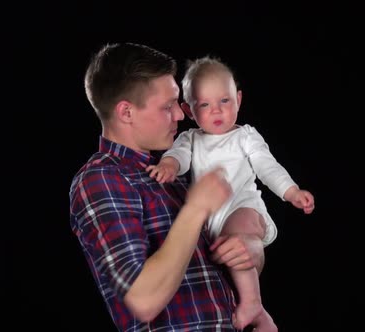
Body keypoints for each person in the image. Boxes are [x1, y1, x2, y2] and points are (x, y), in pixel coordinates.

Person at [69, 42, 266, 331]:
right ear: (126, 112)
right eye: (168, 106)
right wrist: (197, 208)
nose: (180, 115)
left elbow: (224, 263)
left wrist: (251, 249)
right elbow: (143, 299)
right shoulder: (100, 180)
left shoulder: (171, 177)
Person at [145, 56, 315, 331]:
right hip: (211, 218)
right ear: (189, 110)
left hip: (243, 206)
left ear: (238, 99)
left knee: (238, 239)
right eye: (205, 105)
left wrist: (291, 191)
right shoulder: (189, 139)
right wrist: (168, 165)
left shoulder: (245, 136)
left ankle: (252, 302)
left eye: (224, 101)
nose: (217, 112)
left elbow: (266, 165)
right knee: (225, 255)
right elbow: (179, 157)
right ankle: (259, 316)